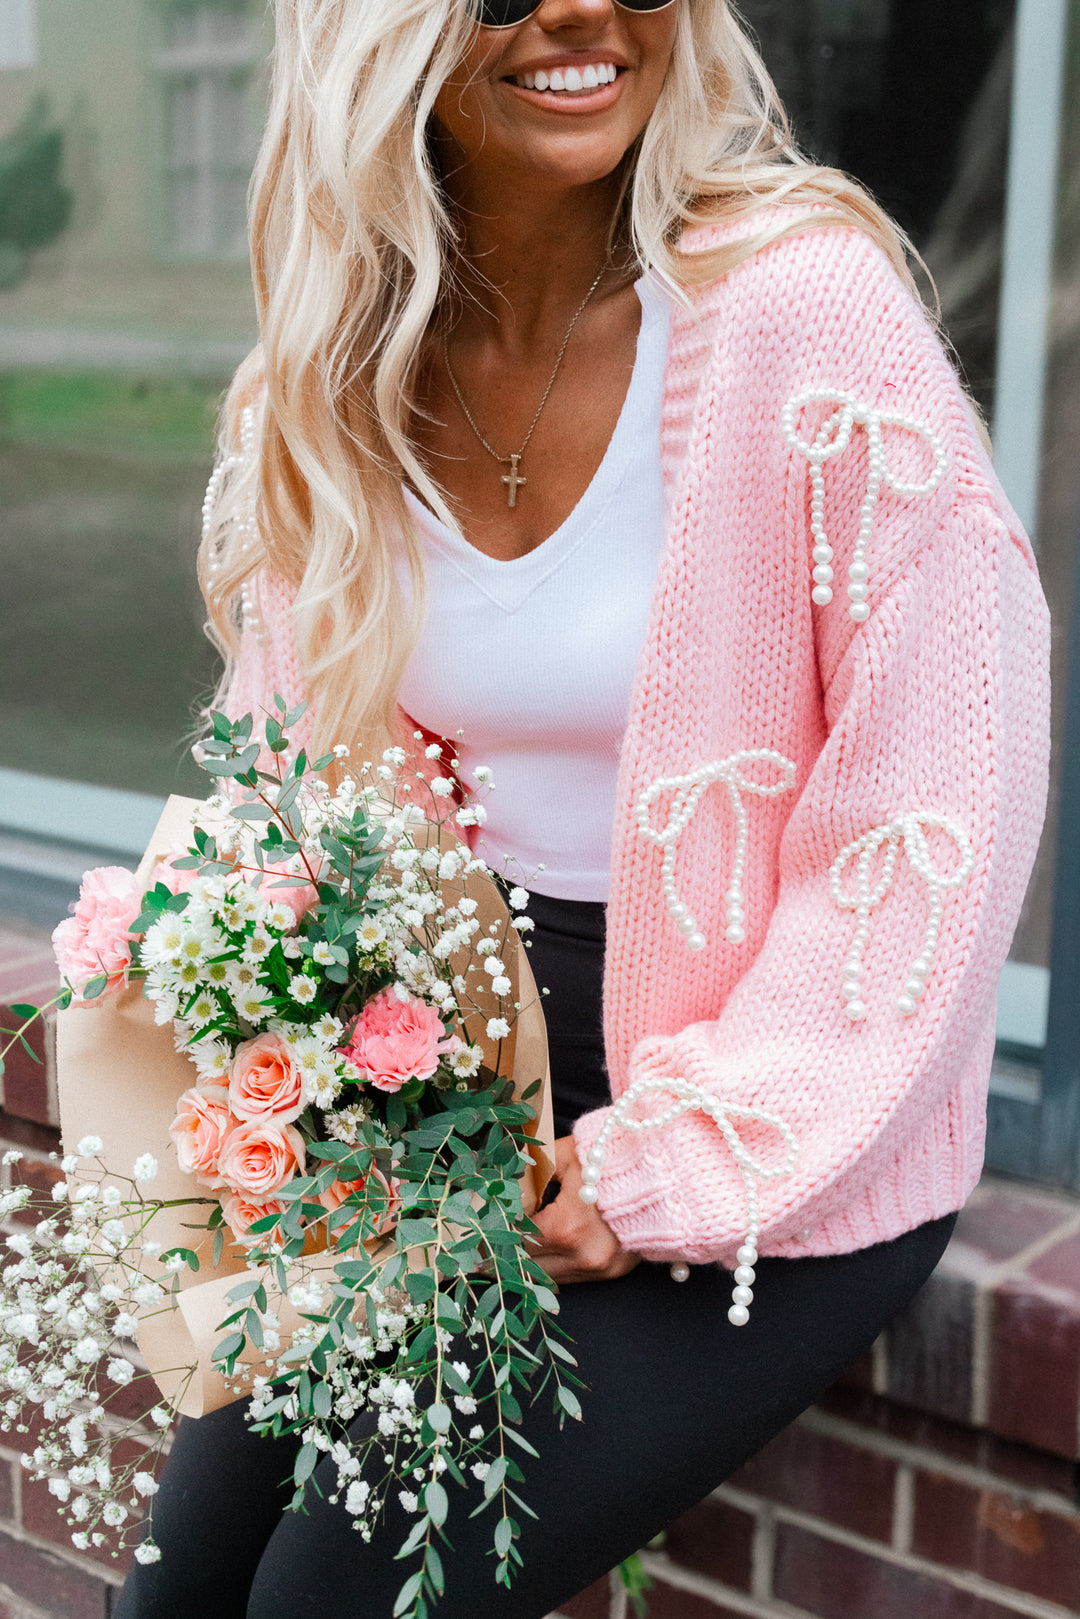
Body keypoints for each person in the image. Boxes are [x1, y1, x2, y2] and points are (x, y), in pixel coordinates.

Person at [117, 1, 1050, 1614]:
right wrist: (267, 1015)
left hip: (777, 1103)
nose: (579, 11)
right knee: (176, 1591)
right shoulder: (338, 376)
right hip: (456, 1086)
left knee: (329, 1603)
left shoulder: (800, 312)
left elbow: (934, 810)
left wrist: (656, 1168)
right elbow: (296, 785)